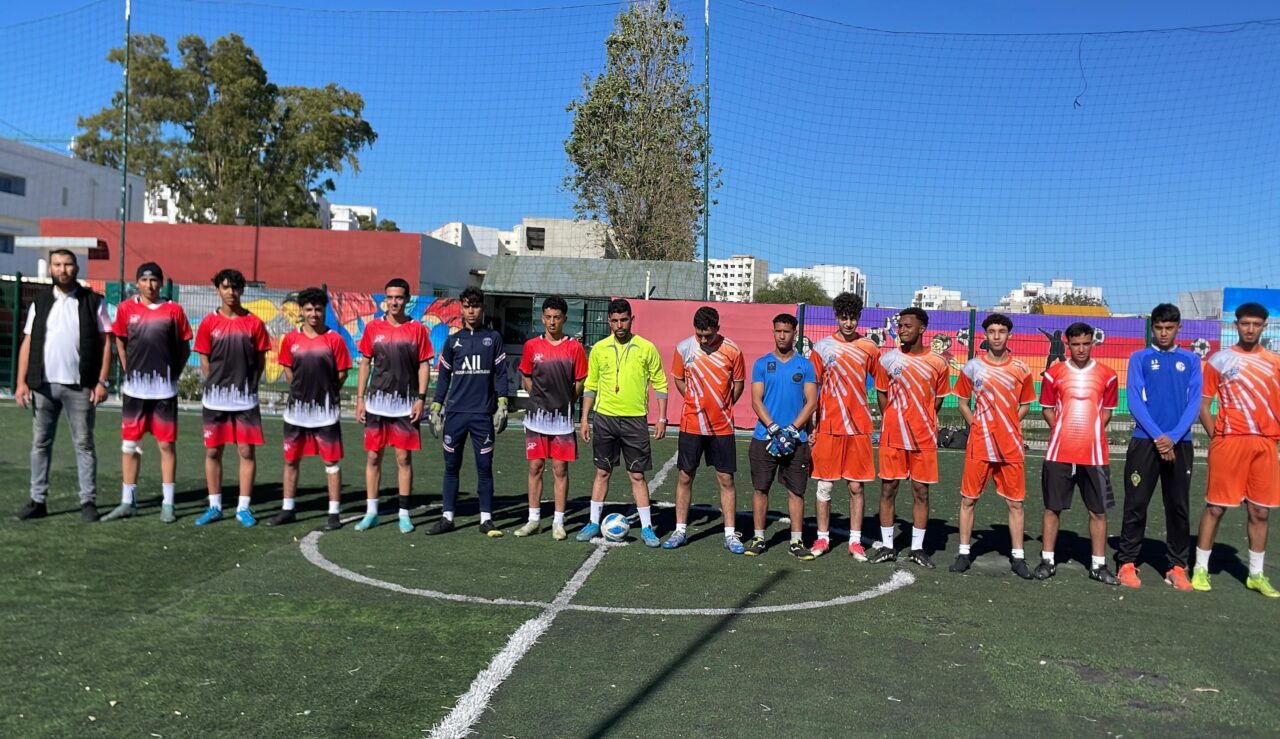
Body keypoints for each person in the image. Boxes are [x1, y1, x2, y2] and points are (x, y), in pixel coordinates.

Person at [14, 248, 113, 522]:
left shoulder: (93, 301)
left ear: (76, 268)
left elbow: (106, 343)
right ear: (50, 269)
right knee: (40, 444)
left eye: (67, 264)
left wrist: (101, 381)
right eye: (57, 264)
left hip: (81, 387)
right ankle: (37, 501)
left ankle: (88, 502)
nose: (62, 269)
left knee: (84, 444)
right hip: (43, 386)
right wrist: (21, 382)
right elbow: (27, 342)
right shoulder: (40, 302)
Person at [1191, 302, 1280, 598]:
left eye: (1256, 324)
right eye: (1245, 323)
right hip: (1230, 443)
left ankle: (1256, 574)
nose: (1250, 329)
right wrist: (1218, 437)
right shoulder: (1220, 360)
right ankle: (1200, 568)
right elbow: (1203, 404)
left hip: (1265, 444)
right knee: (1216, 507)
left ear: (1264, 326)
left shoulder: (1274, 362)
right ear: (1236, 325)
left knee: (1260, 511)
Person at [1114, 303, 1202, 590]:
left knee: (1178, 506)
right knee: (1136, 504)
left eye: (1169, 328)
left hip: (1180, 443)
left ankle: (1177, 566)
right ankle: (1127, 562)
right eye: (1159, 328)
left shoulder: (1191, 360)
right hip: (1145, 442)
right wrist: (1158, 436)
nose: (1164, 333)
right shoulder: (1139, 357)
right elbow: (1134, 400)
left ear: (1179, 328)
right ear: (1152, 328)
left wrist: (1172, 438)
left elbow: (1194, 403)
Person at [101, 263, 192, 523]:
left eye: (154, 280)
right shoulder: (125, 309)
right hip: (134, 393)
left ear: (161, 283)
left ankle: (168, 504)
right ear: (137, 283)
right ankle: (127, 502)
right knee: (130, 446)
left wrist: (173, 374)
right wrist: (128, 369)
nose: (150, 285)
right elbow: (120, 342)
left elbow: (185, 347)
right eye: (144, 280)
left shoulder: (174, 310)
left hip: (164, 392)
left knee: (166, 445)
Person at [948, 313, 1036, 579]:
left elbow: (1025, 404)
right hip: (979, 444)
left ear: (1009, 335)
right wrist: (976, 425)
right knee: (968, 499)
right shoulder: (973, 367)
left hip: (1010, 446)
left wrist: (1009, 424)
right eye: (992, 331)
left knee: (1015, 503)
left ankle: (1018, 557)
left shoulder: (1021, 368)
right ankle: (964, 553)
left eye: (1002, 331)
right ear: (985, 335)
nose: (997, 336)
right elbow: (962, 402)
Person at [577, 298, 668, 544]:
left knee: (637, 475)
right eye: (615, 321)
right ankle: (593, 522)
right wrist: (584, 419)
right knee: (602, 471)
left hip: (635, 420)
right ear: (609, 321)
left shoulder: (646, 348)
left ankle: (647, 528)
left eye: (624, 320)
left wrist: (661, 418)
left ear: (631, 320)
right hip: (605, 418)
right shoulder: (599, 349)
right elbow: (591, 385)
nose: (620, 325)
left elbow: (660, 382)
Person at [1035, 322, 1120, 584]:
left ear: (1092, 343)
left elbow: (1107, 412)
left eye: (1086, 343)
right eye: (1076, 344)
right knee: (1052, 508)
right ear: (1068, 345)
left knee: (1098, 511)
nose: (1081, 349)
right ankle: (1047, 560)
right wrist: (1062, 431)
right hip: (1059, 453)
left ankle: (1099, 565)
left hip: (1094, 455)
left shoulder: (1108, 375)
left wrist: (1089, 433)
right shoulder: (1054, 374)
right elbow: (1047, 409)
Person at [868, 307, 951, 568]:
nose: (902, 330)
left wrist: (921, 419)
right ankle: (888, 546)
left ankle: (917, 548)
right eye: (900, 326)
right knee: (888, 489)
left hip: (923, 438)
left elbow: (937, 400)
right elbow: (882, 394)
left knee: (921, 492)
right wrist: (894, 419)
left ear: (922, 329)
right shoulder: (887, 360)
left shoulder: (938, 362)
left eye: (907, 326)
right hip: (892, 436)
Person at [425, 287, 509, 537]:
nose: (471, 311)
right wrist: (436, 406)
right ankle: (447, 517)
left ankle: (486, 519)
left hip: (482, 414)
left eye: (475, 305)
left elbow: (501, 374)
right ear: (461, 308)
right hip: (456, 415)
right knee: (451, 466)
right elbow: (444, 377)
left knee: (484, 466)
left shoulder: (493, 338)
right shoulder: (453, 341)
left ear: (482, 308)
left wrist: (503, 403)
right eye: (467, 306)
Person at [193, 268, 271, 527]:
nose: (231, 292)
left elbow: (260, 359)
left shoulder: (254, 323)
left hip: (245, 400)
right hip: (215, 400)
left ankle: (243, 508)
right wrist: (215, 384)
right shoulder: (208, 323)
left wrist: (250, 384)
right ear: (218, 290)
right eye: (225, 287)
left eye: (235, 287)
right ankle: (214, 506)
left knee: (246, 451)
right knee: (213, 450)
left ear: (242, 290)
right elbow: (204, 358)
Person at [664, 306, 746, 553]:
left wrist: (723, 406)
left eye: (708, 335)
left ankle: (730, 534)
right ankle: (680, 530)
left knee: (726, 478)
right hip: (691, 423)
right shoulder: (684, 348)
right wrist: (693, 400)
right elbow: (678, 379)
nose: (702, 339)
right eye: (699, 334)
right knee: (685, 475)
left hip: (722, 426)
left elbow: (738, 384)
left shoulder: (733, 350)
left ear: (717, 329)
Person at [354, 278, 433, 533]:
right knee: (373, 456)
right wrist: (360, 399)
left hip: (405, 406)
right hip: (376, 405)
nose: (394, 302)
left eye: (399, 297)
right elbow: (365, 363)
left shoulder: (417, 329)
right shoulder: (372, 328)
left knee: (403, 458)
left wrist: (421, 398)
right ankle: (371, 513)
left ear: (407, 300)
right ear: (385, 300)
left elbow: (424, 365)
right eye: (390, 297)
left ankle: (404, 514)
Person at [271, 287, 351, 531]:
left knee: (331, 462)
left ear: (324, 310)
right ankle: (288, 509)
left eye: (318, 309)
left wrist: (326, 392)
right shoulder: (290, 339)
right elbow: (287, 369)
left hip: (325, 413)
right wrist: (300, 390)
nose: (313, 314)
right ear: (301, 311)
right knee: (291, 460)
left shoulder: (334, 340)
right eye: (308, 309)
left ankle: (334, 513)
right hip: (296, 413)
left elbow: (342, 373)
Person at [809, 292, 881, 558]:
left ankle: (855, 541)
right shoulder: (822, 347)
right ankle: (822, 539)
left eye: (853, 318)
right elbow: (811, 388)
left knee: (856, 487)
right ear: (836, 317)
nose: (848, 323)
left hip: (858, 427)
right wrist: (811, 425)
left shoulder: (869, 347)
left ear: (859, 317)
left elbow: (882, 383)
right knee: (825, 486)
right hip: (828, 426)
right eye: (844, 317)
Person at [515, 296, 587, 540]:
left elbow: (580, 381)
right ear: (542, 318)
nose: (552, 321)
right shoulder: (531, 346)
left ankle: (558, 521)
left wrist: (567, 401)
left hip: (562, 420)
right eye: (548, 317)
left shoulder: (574, 348)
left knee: (560, 468)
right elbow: (526, 375)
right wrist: (536, 397)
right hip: (536, 418)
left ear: (564, 318)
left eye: (557, 317)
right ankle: (533, 519)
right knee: (535, 467)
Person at [747, 313, 818, 558]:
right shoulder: (761, 364)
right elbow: (756, 401)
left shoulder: (805, 366)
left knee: (796, 492)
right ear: (773, 332)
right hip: (764, 437)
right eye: (778, 331)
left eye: (786, 331)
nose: (781, 336)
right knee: (760, 489)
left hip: (796, 440)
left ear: (794, 334)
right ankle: (759, 537)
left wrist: (793, 429)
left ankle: (796, 541)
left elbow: (811, 402)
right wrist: (774, 428)